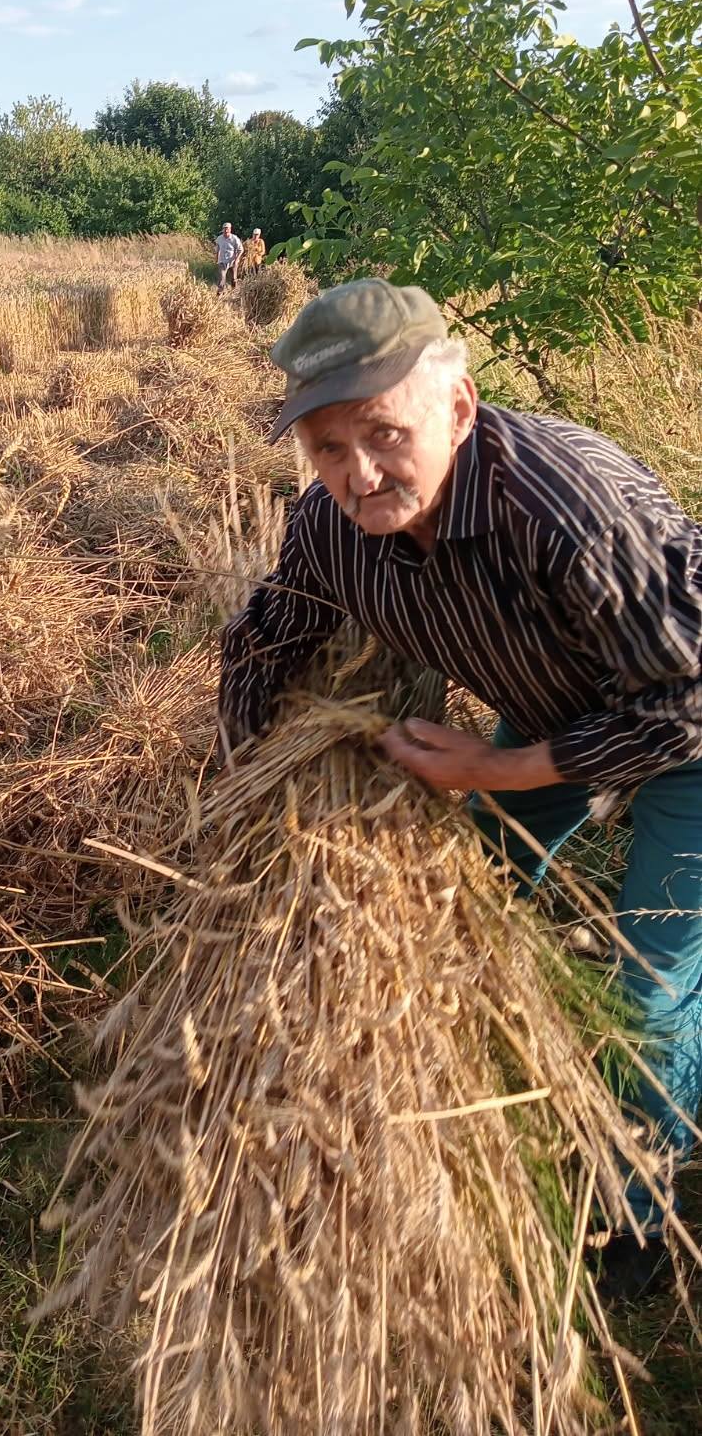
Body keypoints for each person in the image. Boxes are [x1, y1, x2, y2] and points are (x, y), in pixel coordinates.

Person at [218, 276, 702, 1303]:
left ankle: (635, 1215)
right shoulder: (331, 528)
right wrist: (241, 799)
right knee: (464, 907)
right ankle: (468, 1119)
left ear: (459, 405)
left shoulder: (568, 511)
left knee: (651, 997)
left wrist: (499, 769)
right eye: (327, 450)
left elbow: (686, 702)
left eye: (384, 434)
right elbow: (267, 643)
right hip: (560, 705)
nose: (358, 474)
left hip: (684, 728)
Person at [215, 222, 243, 295]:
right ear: (222, 230)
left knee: (234, 278)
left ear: (230, 229)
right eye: (224, 229)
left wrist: (236, 260)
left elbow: (241, 250)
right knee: (222, 277)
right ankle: (220, 292)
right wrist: (217, 260)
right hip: (222, 261)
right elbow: (217, 250)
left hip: (232, 261)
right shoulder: (219, 238)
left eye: (227, 229)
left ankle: (234, 292)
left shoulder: (234, 238)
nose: (226, 231)